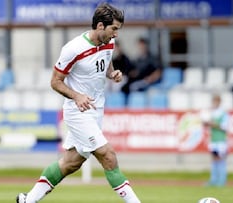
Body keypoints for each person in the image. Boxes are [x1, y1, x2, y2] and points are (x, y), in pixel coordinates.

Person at [16, 3, 141, 203]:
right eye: (114, 29)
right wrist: (77, 96)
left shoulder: (109, 42)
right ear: (100, 26)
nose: (116, 34)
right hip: (78, 111)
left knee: (70, 163)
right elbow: (55, 82)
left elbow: (106, 63)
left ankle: (27, 200)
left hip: (96, 110)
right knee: (108, 155)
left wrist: (112, 73)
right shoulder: (73, 49)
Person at [121, 37, 162, 104]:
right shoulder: (137, 59)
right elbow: (133, 71)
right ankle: (123, 105)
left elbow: (158, 71)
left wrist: (150, 78)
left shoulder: (152, 58)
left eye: (142, 45)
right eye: (140, 45)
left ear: (146, 46)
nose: (141, 47)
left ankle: (136, 104)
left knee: (134, 86)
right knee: (122, 86)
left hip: (147, 81)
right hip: (137, 80)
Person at [202, 94, 229, 187]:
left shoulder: (223, 114)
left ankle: (222, 180)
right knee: (214, 159)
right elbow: (207, 125)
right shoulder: (211, 113)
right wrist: (206, 123)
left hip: (221, 140)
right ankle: (213, 179)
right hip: (213, 139)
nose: (214, 103)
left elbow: (225, 127)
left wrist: (213, 124)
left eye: (216, 101)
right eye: (214, 101)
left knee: (220, 159)